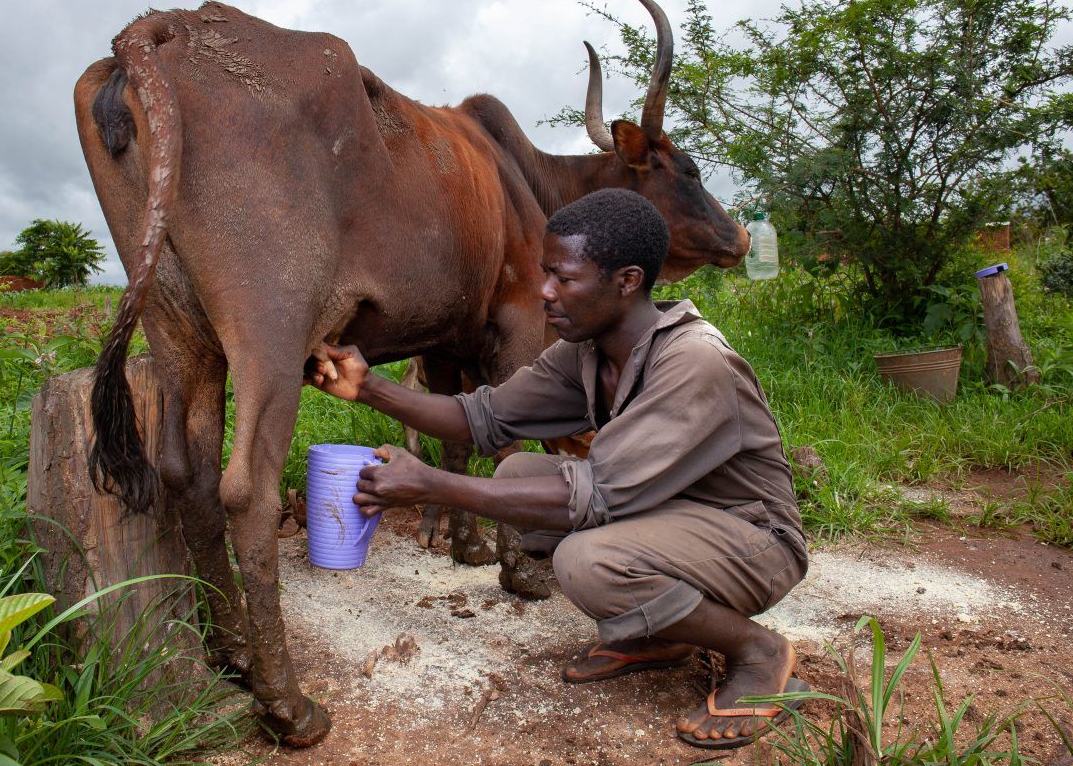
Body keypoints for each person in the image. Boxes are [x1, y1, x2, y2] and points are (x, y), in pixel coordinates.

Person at [306, 188, 809, 749]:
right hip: (676, 516)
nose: (545, 291)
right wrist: (368, 387)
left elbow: (596, 494)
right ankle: (664, 635)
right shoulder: (588, 352)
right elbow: (481, 417)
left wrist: (431, 485)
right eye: (546, 273)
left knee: (588, 562)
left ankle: (758, 651)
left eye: (564, 278)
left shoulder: (693, 360)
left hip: (754, 541)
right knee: (518, 474)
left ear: (628, 281)